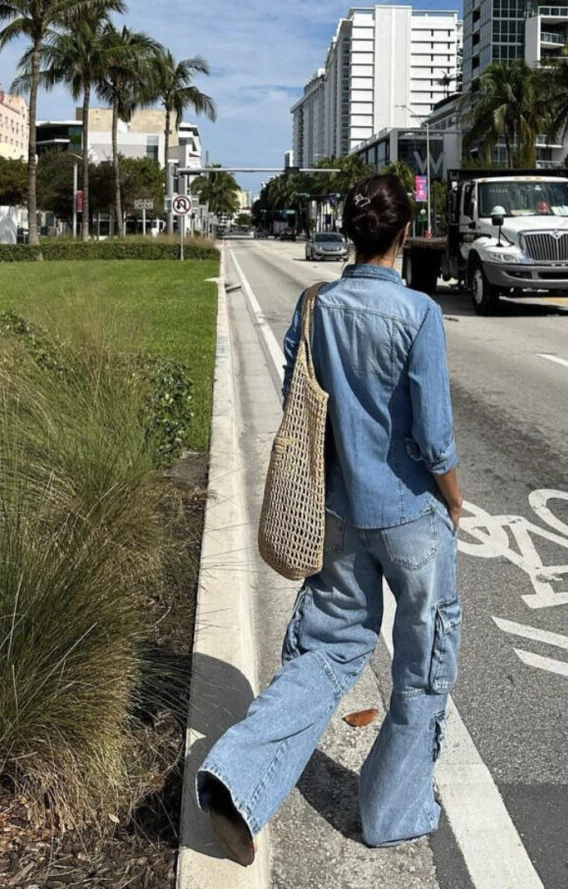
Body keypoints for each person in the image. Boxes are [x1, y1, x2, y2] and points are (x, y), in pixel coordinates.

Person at [198, 174, 463, 866]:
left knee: (326, 652)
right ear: (406, 235)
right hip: (410, 517)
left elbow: (297, 403)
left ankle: (237, 777)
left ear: (351, 232)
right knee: (423, 666)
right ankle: (390, 809)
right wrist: (455, 498)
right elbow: (435, 440)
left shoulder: (315, 307)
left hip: (339, 511)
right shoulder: (418, 316)